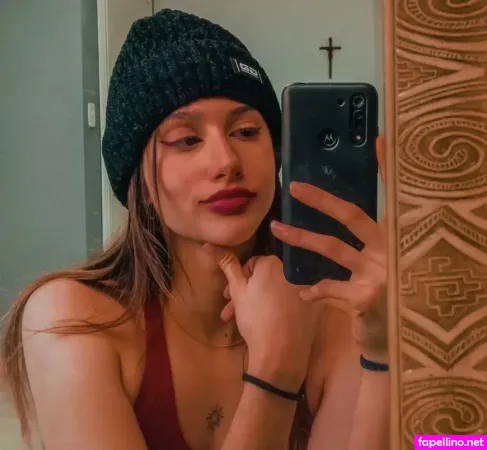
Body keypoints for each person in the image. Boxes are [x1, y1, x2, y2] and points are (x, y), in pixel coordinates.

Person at [1, 9, 389, 450]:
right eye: (186, 140)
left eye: (246, 131)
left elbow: (444, 442)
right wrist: (275, 371)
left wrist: (382, 353)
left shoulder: (332, 316)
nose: (226, 162)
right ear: (139, 178)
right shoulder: (73, 320)